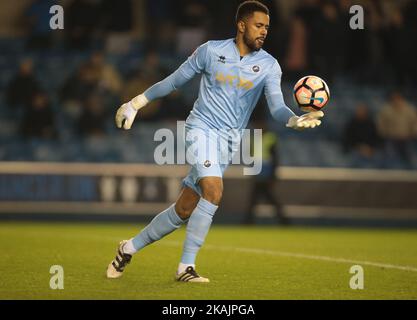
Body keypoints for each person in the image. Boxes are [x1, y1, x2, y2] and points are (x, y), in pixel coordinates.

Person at [107, 1, 324, 282]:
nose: (264, 32)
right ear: (241, 25)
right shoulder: (210, 51)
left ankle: (128, 247)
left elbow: (277, 106)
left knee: (183, 210)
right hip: (201, 129)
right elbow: (174, 81)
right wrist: (136, 103)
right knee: (214, 190)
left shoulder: (269, 65)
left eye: (267, 27)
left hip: (228, 143)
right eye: (259, 25)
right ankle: (186, 267)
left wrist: (294, 119)